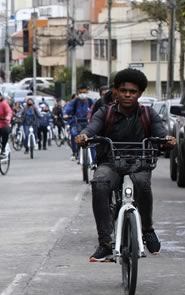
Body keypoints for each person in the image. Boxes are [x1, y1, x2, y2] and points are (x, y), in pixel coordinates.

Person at [75, 68, 176, 262]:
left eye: (133, 91)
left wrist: (168, 140)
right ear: (116, 91)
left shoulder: (148, 113)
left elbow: (161, 133)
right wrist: (84, 136)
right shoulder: (105, 112)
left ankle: (147, 230)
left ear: (140, 93)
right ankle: (105, 243)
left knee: (142, 184)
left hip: (140, 162)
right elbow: (91, 128)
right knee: (100, 183)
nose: (128, 95)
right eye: (123, 90)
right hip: (110, 162)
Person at [64, 84, 95, 160]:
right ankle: (75, 152)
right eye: (81, 92)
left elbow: (97, 111)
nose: (83, 94)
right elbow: (67, 111)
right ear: (78, 93)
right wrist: (65, 115)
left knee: (93, 139)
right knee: (74, 134)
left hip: (88, 124)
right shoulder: (74, 102)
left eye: (84, 92)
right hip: (76, 123)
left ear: (87, 92)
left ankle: (94, 160)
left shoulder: (91, 102)